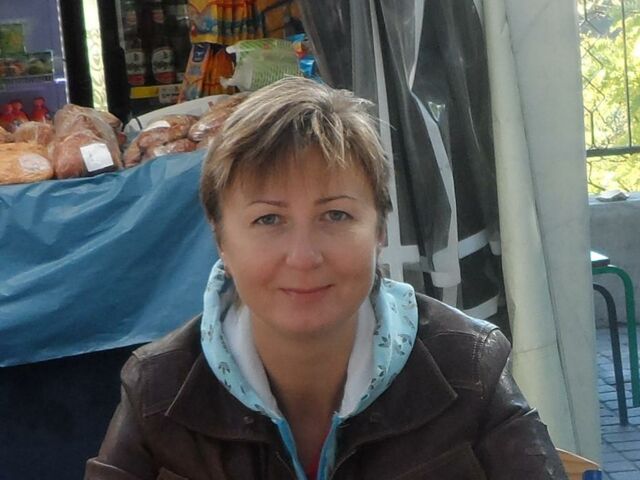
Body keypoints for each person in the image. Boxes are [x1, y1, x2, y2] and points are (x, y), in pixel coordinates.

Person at [85, 77, 567, 479]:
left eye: (335, 215)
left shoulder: (468, 367)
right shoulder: (159, 390)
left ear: (379, 230)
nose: (304, 256)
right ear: (221, 241)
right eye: (268, 219)